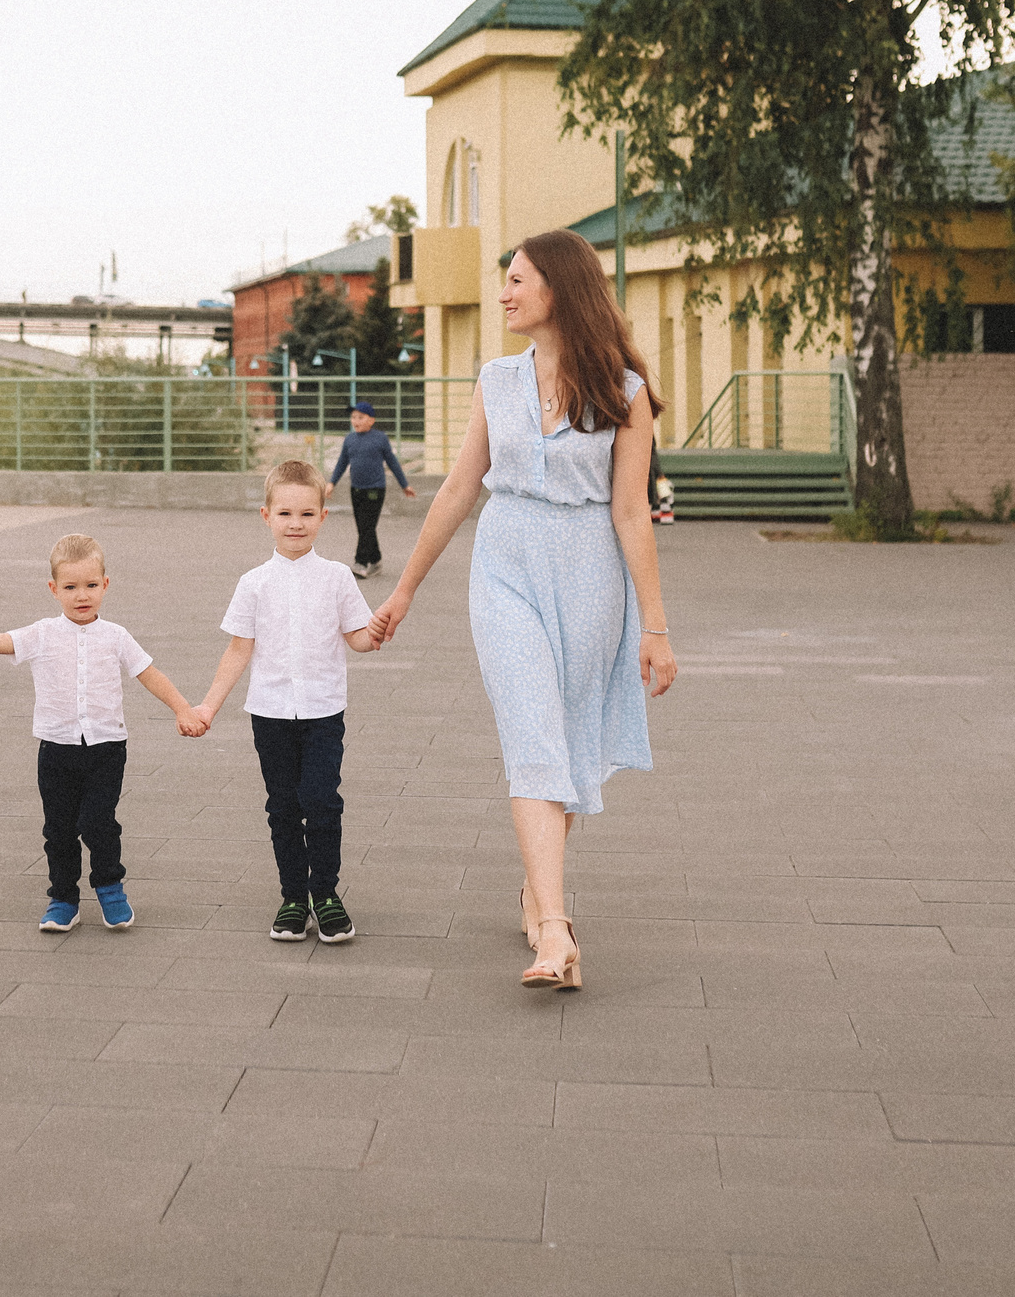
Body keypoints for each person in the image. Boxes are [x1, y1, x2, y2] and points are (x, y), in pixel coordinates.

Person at [366, 230, 677, 991]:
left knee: (564, 744)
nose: (504, 294)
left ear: (559, 289)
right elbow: (456, 489)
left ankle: (538, 891)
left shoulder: (626, 392)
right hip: (504, 568)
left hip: (592, 577)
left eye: (516, 280)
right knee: (533, 732)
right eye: (505, 281)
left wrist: (657, 627)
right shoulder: (496, 381)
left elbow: (633, 513)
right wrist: (404, 588)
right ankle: (555, 927)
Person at [0, 532, 206, 933]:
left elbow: (150, 674)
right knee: (58, 829)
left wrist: (183, 708)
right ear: (54, 589)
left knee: (99, 823)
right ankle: (63, 899)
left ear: (105, 585)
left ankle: (111, 889)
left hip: (107, 748)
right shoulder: (42, 634)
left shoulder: (116, 636)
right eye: (71, 587)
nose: (82, 595)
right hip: (56, 750)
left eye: (91, 586)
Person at [193, 459, 384, 943]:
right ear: (266, 516)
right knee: (282, 806)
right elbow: (239, 650)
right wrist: (208, 707)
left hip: (323, 711)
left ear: (323, 516)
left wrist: (376, 632)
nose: (295, 524)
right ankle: (293, 897)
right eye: (285, 514)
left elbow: (357, 638)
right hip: (270, 714)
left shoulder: (339, 577)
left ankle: (326, 894)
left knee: (321, 801)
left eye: (306, 514)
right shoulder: (253, 582)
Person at [328, 400, 415, 577]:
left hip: (375, 489)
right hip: (356, 489)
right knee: (363, 527)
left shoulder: (380, 438)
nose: (356, 421)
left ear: (371, 420)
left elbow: (392, 462)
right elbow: (342, 463)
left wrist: (404, 484)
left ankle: (360, 563)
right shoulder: (349, 439)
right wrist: (332, 483)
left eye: (360, 417)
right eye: (353, 417)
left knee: (367, 526)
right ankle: (375, 561)